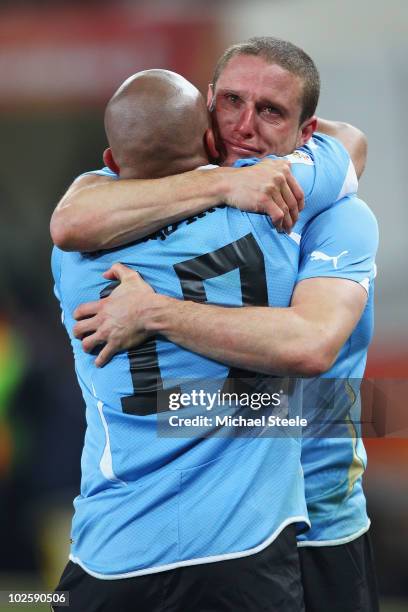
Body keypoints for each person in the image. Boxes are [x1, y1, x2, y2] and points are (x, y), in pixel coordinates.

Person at [52, 38, 378, 611]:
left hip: (319, 517)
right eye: (231, 102)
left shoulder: (330, 212)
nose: (244, 126)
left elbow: (313, 343)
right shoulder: (257, 215)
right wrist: (225, 182)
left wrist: (154, 312)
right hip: (245, 531)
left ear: (308, 134)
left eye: (270, 111)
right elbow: (71, 217)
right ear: (206, 112)